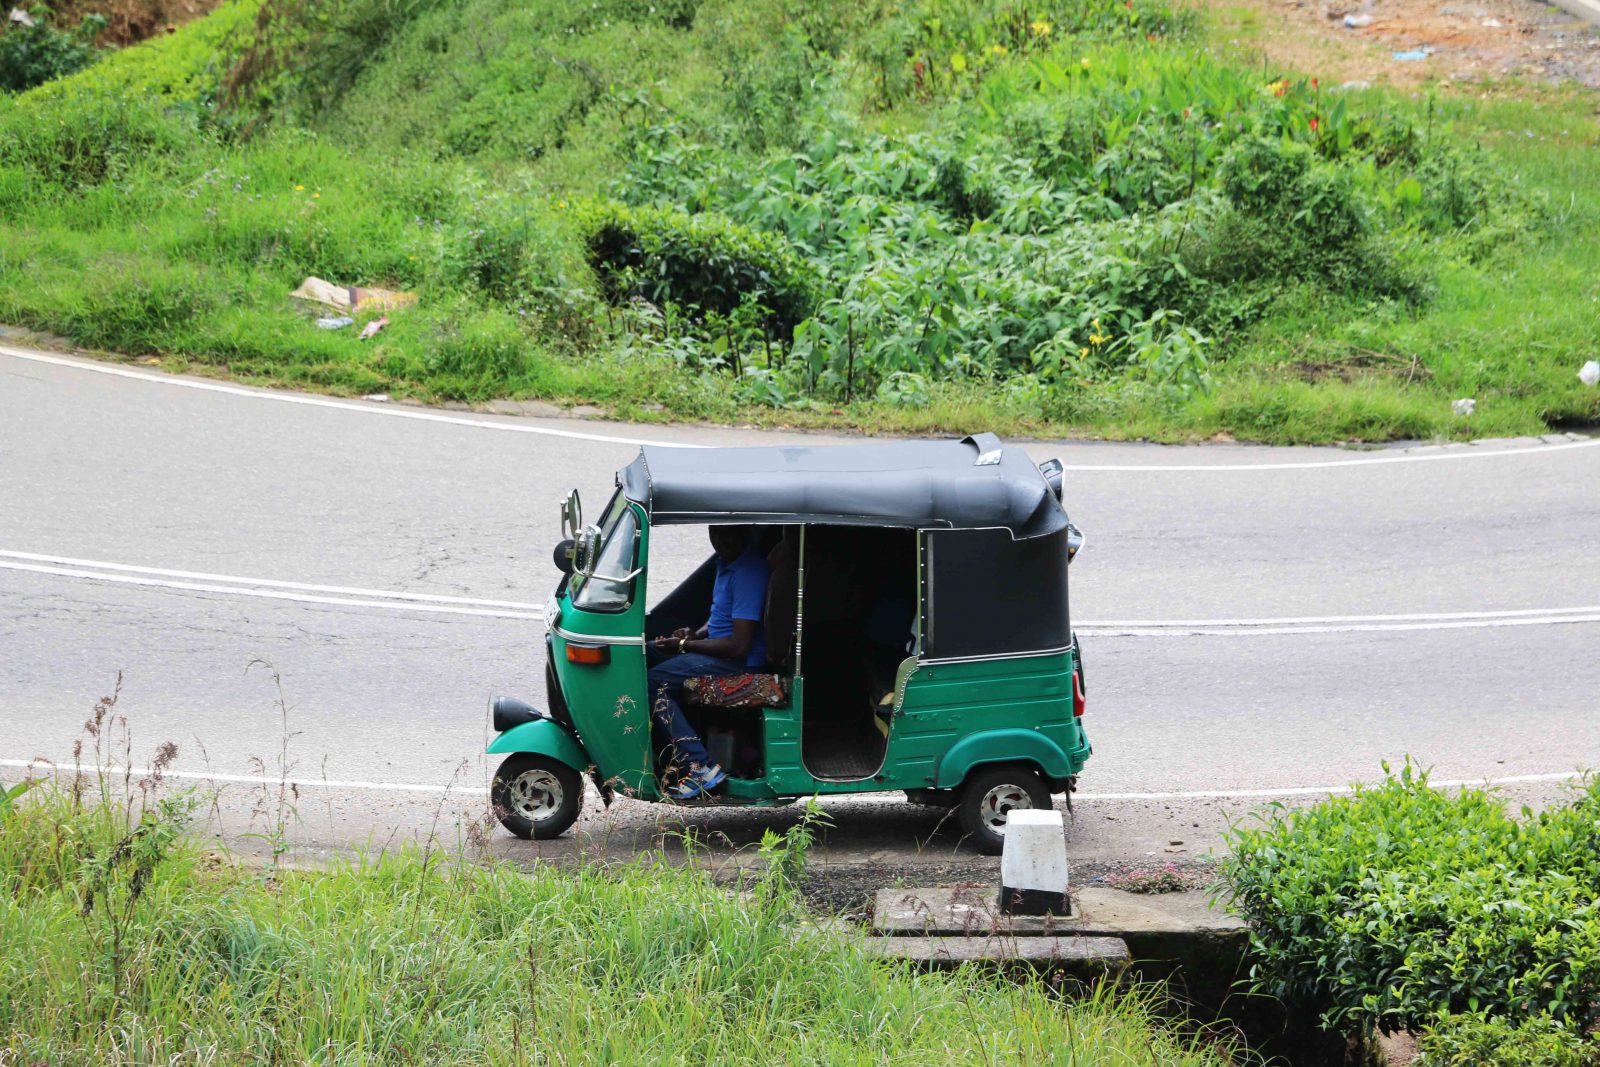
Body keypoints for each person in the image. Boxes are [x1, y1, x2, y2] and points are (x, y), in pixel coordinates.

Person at [647, 525, 771, 799]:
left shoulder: (748, 572)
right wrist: (695, 634)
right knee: (644, 652)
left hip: (742, 662)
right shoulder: (727, 561)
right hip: (723, 652)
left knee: (654, 682)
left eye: (728, 534)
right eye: (715, 534)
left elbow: (738, 646)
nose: (720, 542)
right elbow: (722, 617)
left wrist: (684, 646)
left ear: (745, 533)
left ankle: (700, 765)